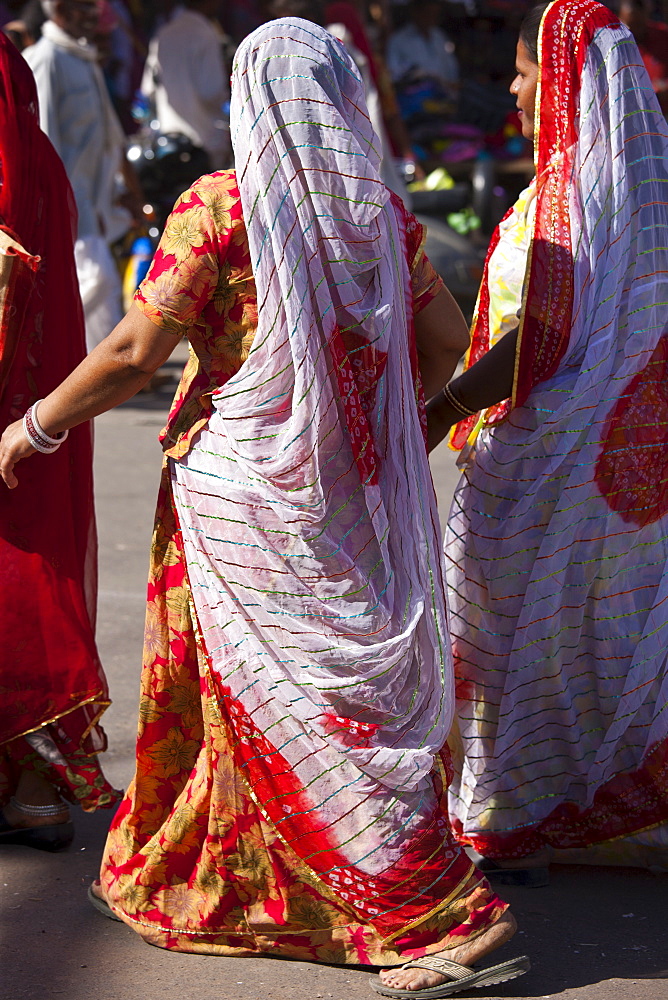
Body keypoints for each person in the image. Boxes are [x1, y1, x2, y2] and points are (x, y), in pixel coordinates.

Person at [0, 18, 529, 998]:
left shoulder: (219, 208)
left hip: (239, 494)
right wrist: (386, 419)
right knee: (321, 700)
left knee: (290, 710)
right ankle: (254, 873)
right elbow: (445, 332)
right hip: (348, 491)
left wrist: (33, 426)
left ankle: (425, 915)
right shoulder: (377, 211)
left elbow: (132, 356)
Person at [427, 0, 668, 881]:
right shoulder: (651, 176)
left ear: (559, 79)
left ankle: (519, 809)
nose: (517, 91)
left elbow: (542, 333)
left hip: (554, 467)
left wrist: (443, 407)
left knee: (526, 639)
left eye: (526, 73)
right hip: (631, 474)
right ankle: (605, 812)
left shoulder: (572, 194)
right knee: (603, 638)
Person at [0, 33, 118, 850]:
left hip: (15, 408)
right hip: (33, 410)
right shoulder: (38, 160)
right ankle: (33, 794)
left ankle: (33, 788)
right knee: (33, 574)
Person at [24, 0, 137, 352]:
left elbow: (110, 136)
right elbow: (41, 138)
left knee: (96, 279)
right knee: (95, 278)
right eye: (84, 6)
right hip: (65, 198)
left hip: (93, 197)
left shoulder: (83, 59)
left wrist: (124, 189)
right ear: (60, 11)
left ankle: (98, 367)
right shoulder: (46, 60)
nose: (92, 15)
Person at [141, 0, 230, 169]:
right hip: (205, 140)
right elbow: (212, 92)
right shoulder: (205, 34)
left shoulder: (163, 33)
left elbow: (148, 88)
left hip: (170, 139)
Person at [617, 0, 668, 116]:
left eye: (638, 24)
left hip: (663, 112)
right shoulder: (617, 44)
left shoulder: (663, 35)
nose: (634, 30)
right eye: (629, 25)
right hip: (633, 114)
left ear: (646, 16)